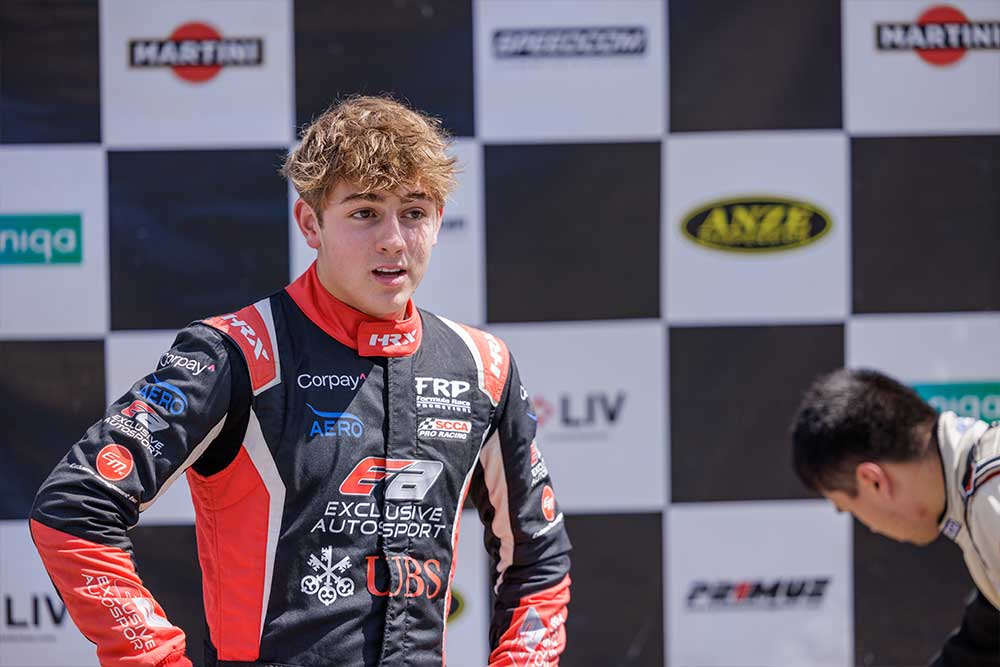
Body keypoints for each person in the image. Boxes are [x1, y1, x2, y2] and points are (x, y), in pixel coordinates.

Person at [30, 96, 571, 667]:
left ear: (437, 221)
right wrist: (154, 658)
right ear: (311, 223)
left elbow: (539, 556)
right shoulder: (238, 351)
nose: (393, 239)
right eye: (365, 212)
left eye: (413, 212)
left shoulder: (482, 366)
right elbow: (75, 505)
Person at [791, 368, 1000, 666]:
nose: (872, 528)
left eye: (849, 509)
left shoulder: (989, 501)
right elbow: (982, 640)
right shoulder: (975, 486)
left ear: (873, 481)